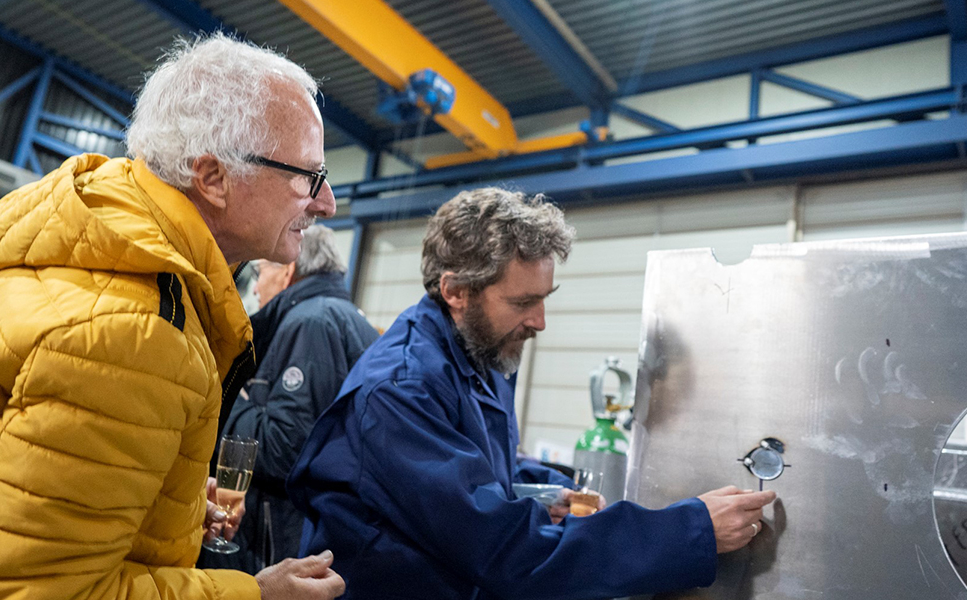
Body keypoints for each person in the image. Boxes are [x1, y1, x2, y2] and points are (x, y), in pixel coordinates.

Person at [0, 33, 345, 600]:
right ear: (212, 177)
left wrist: (174, 499)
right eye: (307, 176)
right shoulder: (132, 333)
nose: (326, 201)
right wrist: (251, 594)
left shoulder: (83, 262)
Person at [287, 187, 777, 599]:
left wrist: (546, 486)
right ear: (455, 290)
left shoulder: (478, 352)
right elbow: (501, 547)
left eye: (544, 299)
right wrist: (690, 532)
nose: (539, 322)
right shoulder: (400, 391)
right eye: (523, 302)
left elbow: (476, 460)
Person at [216, 225, 379, 572]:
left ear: (288, 270)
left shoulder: (311, 323)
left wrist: (228, 399)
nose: (256, 287)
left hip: (284, 537)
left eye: (259, 273)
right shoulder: (346, 318)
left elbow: (284, 448)